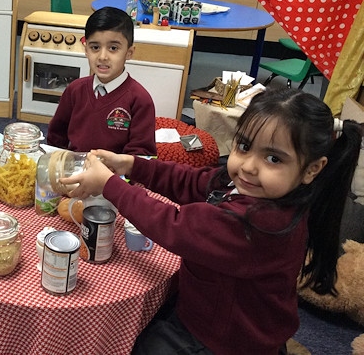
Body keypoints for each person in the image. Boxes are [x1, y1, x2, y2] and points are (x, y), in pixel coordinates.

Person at [61, 88, 363, 355]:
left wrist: (111, 186)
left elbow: (173, 224)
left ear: (312, 169)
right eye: (244, 146)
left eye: (273, 159)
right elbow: (190, 181)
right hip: (213, 313)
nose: (249, 166)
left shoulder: (262, 223)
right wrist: (132, 164)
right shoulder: (240, 184)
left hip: (225, 341)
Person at [46, 6, 157, 156]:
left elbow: (142, 155)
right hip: (74, 172)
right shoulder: (75, 90)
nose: (103, 56)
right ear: (86, 50)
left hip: (115, 177)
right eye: (95, 47)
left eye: (113, 48)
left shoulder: (140, 100)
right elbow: (56, 137)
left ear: (129, 53)